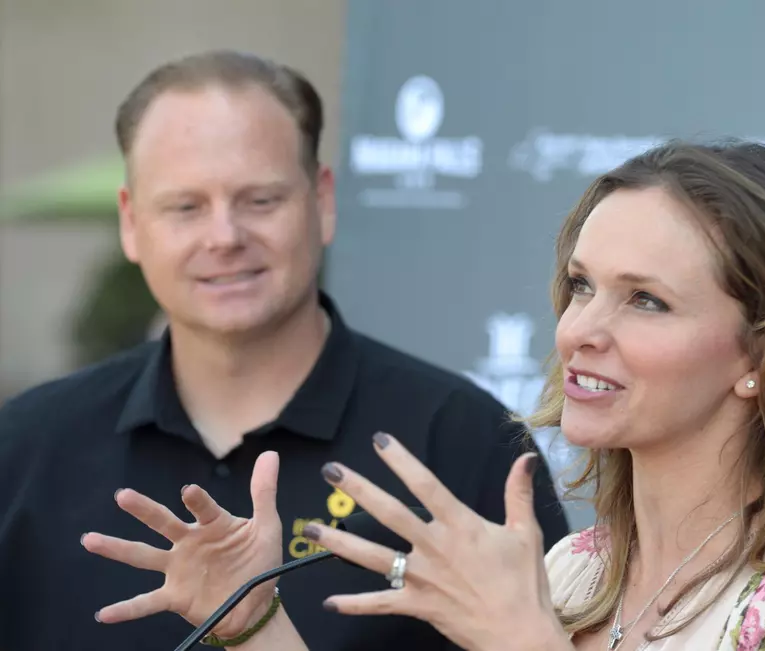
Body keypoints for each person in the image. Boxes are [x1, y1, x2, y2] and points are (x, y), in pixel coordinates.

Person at [80, 138, 765, 650]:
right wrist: (256, 620)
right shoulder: (572, 571)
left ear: (764, 350)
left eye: (646, 299)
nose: (579, 329)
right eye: (581, 285)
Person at [0, 50, 570, 651]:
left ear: (321, 201)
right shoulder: (25, 446)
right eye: (185, 207)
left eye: (260, 200)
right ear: (131, 223)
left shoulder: (459, 442)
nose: (224, 237)